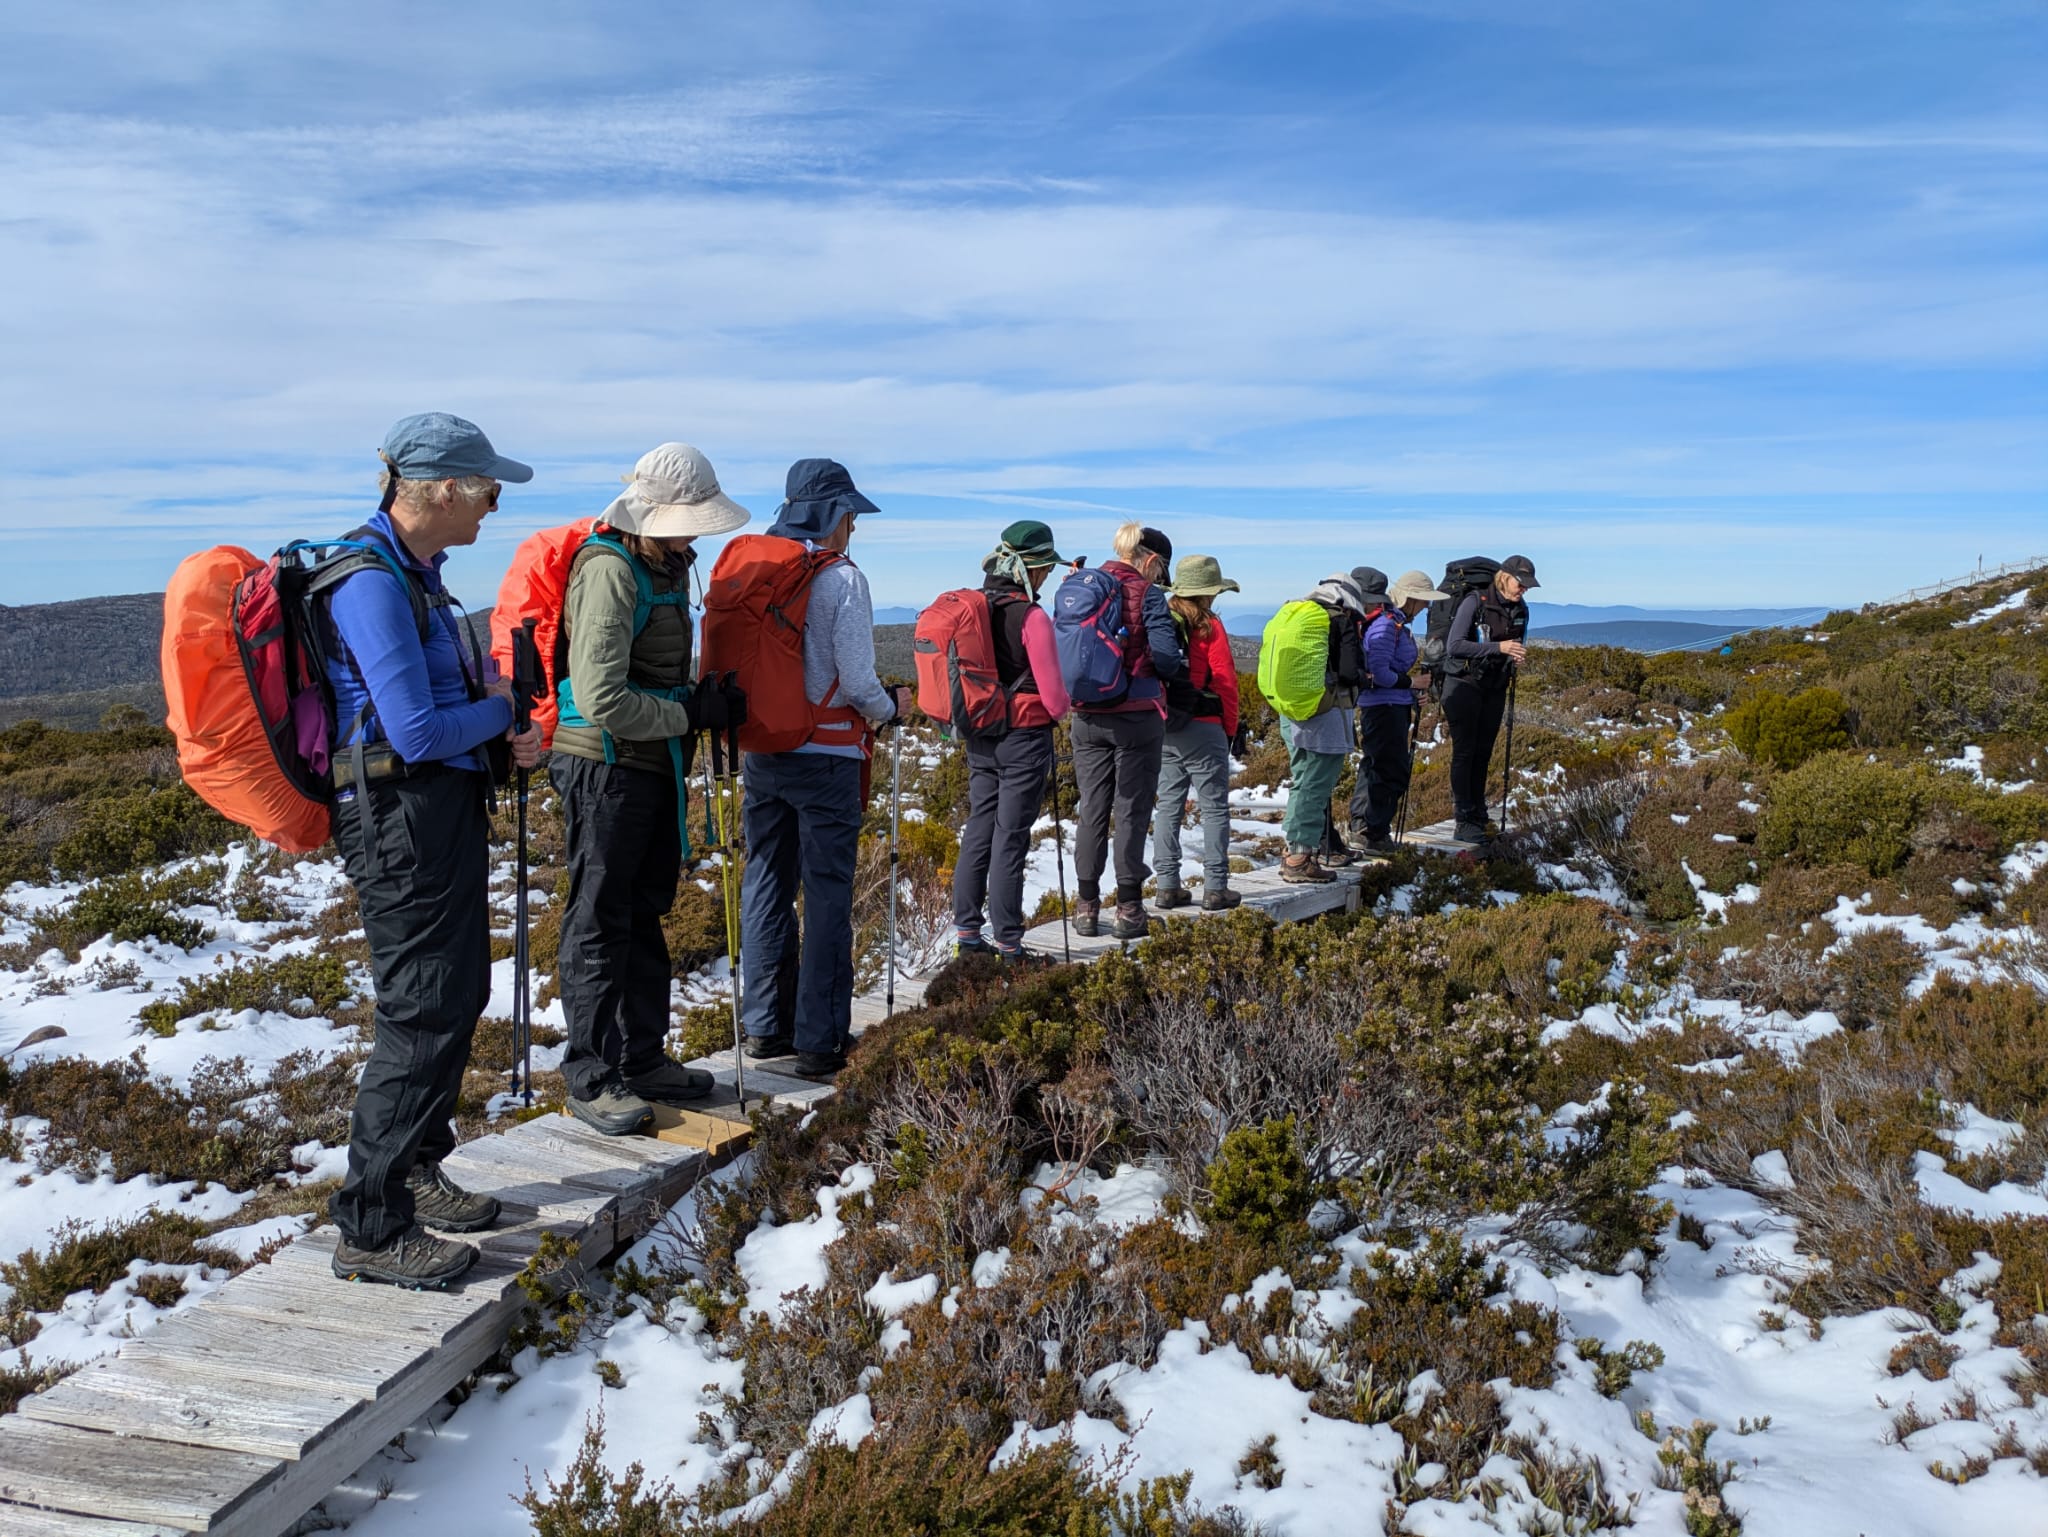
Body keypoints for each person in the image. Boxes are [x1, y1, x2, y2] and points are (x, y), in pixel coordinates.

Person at [322, 413, 543, 1288]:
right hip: (398, 818)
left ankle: (415, 1169)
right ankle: (371, 1226)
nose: (494, 504)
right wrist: (502, 714)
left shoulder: (420, 577)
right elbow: (412, 730)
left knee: (458, 990)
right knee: (420, 1007)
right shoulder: (374, 583)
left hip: (433, 811)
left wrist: (495, 733)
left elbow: (432, 716)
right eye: (488, 489)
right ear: (444, 488)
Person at [551, 444, 752, 1136]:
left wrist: (695, 700)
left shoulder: (662, 563)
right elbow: (602, 695)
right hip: (604, 765)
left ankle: (641, 1057)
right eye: (689, 519)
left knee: (640, 912)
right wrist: (688, 713)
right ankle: (590, 1072)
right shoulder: (610, 570)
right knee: (600, 917)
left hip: (646, 761)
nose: (697, 532)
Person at [739, 460, 911, 1080]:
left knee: (765, 883)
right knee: (827, 894)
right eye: (852, 517)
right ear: (836, 515)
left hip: (762, 752)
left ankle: (762, 1027)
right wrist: (888, 710)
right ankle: (819, 1041)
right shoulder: (842, 580)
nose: (854, 529)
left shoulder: (756, 565)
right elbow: (859, 679)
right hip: (828, 756)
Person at [951, 521, 1073, 961]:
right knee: (1011, 836)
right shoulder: (1032, 616)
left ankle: (967, 935)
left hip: (980, 733)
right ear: (1036, 569)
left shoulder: (977, 608)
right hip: (1024, 738)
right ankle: (1009, 941)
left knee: (979, 825)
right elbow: (1056, 699)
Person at [1069, 523, 1186, 938]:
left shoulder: (1081, 584)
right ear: (1151, 560)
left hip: (1085, 717)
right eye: (1160, 570)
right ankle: (1129, 909)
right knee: (1131, 810)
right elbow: (1168, 660)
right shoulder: (1148, 594)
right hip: (1136, 718)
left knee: (1093, 810)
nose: (1160, 580)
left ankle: (1085, 908)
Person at [1151, 554, 1243, 910]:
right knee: (1214, 807)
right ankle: (1216, 887)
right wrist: (1230, 728)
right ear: (1207, 593)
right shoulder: (1209, 625)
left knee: (1169, 806)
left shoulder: (1162, 620)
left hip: (1166, 724)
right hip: (1205, 726)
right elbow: (1225, 681)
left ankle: (1167, 886)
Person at [1277, 570, 1368, 884]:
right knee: (1316, 784)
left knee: (1303, 781)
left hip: (1291, 711)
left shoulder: (1299, 613)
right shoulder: (1338, 621)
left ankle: (1295, 850)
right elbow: (1348, 672)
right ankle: (1299, 858)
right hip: (1324, 713)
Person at [1347, 569, 1446, 854]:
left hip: (1389, 705)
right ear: (1410, 598)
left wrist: (1409, 691)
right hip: (1383, 708)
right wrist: (1410, 682)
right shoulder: (1386, 626)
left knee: (1376, 765)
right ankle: (1373, 831)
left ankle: (1364, 827)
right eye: (1424, 600)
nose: (1427, 606)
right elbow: (1378, 673)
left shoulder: (1391, 622)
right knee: (1391, 770)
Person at [1440, 554, 1536, 842]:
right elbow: (1455, 646)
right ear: (1504, 577)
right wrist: (1500, 648)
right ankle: (1463, 817)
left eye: (1527, 586)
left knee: (1483, 751)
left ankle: (1477, 810)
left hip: (1494, 687)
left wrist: (1513, 656)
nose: (1524, 590)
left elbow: (1515, 643)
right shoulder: (1475, 601)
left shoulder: (1521, 609)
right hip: (1463, 685)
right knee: (1465, 751)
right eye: (1521, 584)